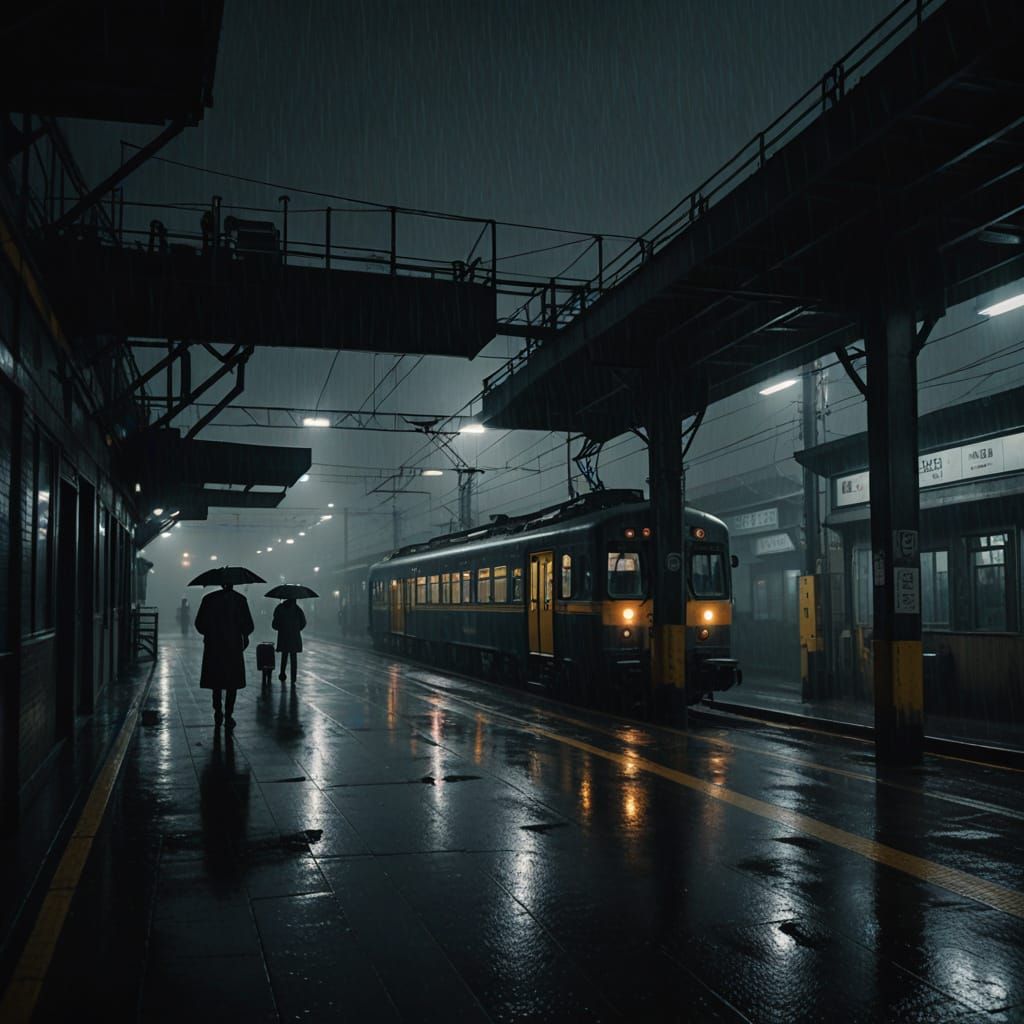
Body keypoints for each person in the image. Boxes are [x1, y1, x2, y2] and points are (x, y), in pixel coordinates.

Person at [194, 582, 254, 728]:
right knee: (232, 682)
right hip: (233, 646)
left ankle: (217, 711)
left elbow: (199, 624)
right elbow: (249, 625)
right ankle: (229, 714)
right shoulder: (240, 600)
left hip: (214, 646)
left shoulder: (208, 599)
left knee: (216, 682)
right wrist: (244, 635)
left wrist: (210, 632)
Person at [272, 598, 306, 685]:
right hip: (294, 637)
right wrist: (297, 629)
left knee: (284, 655)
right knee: (293, 658)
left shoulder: (280, 608)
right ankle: (293, 678)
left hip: (284, 636)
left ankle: (282, 674)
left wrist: (281, 627)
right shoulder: (298, 610)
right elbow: (303, 623)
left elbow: (274, 625)